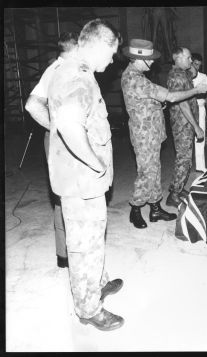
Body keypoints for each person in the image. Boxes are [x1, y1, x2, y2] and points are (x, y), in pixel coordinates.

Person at [46, 18, 125, 331]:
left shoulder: (72, 71)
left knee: (92, 239)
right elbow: (67, 125)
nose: (112, 60)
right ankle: (89, 309)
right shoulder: (77, 77)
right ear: (100, 45)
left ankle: (97, 284)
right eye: (112, 53)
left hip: (80, 180)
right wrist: (95, 162)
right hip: (81, 181)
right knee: (83, 245)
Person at [121, 39, 207, 229]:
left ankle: (155, 207)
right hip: (144, 134)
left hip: (151, 132)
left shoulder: (138, 76)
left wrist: (155, 104)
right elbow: (170, 96)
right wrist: (196, 90)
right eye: (150, 59)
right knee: (146, 172)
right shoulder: (134, 79)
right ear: (139, 58)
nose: (153, 62)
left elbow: (148, 100)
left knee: (155, 170)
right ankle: (135, 209)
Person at [25, 32, 78, 269]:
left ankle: (65, 253)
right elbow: (32, 105)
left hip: (63, 138)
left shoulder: (61, 67)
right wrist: (57, 128)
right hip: (62, 140)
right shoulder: (58, 69)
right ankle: (68, 252)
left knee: (65, 193)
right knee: (67, 194)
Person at [165, 47, 205, 208]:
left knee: (186, 159)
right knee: (183, 159)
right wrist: (196, 127)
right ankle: (173, 195)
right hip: (183, 124)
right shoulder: (176, 76)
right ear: (178, 58)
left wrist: (190, 65)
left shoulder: (183, 73)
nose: (191, 61)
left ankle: (179, 188)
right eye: (188, 58)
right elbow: (182, 104)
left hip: (186, 124)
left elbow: (194, 73)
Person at [190, 52, 207, 172]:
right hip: (188, 109)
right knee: (188, 138)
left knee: (200, 137)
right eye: (195, 64)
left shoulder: (203, 77)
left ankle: (200, 165)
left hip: (201, 108)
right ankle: (186, 165)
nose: (197, 67)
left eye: (199, 65)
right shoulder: (185, 76)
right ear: (190, 63)